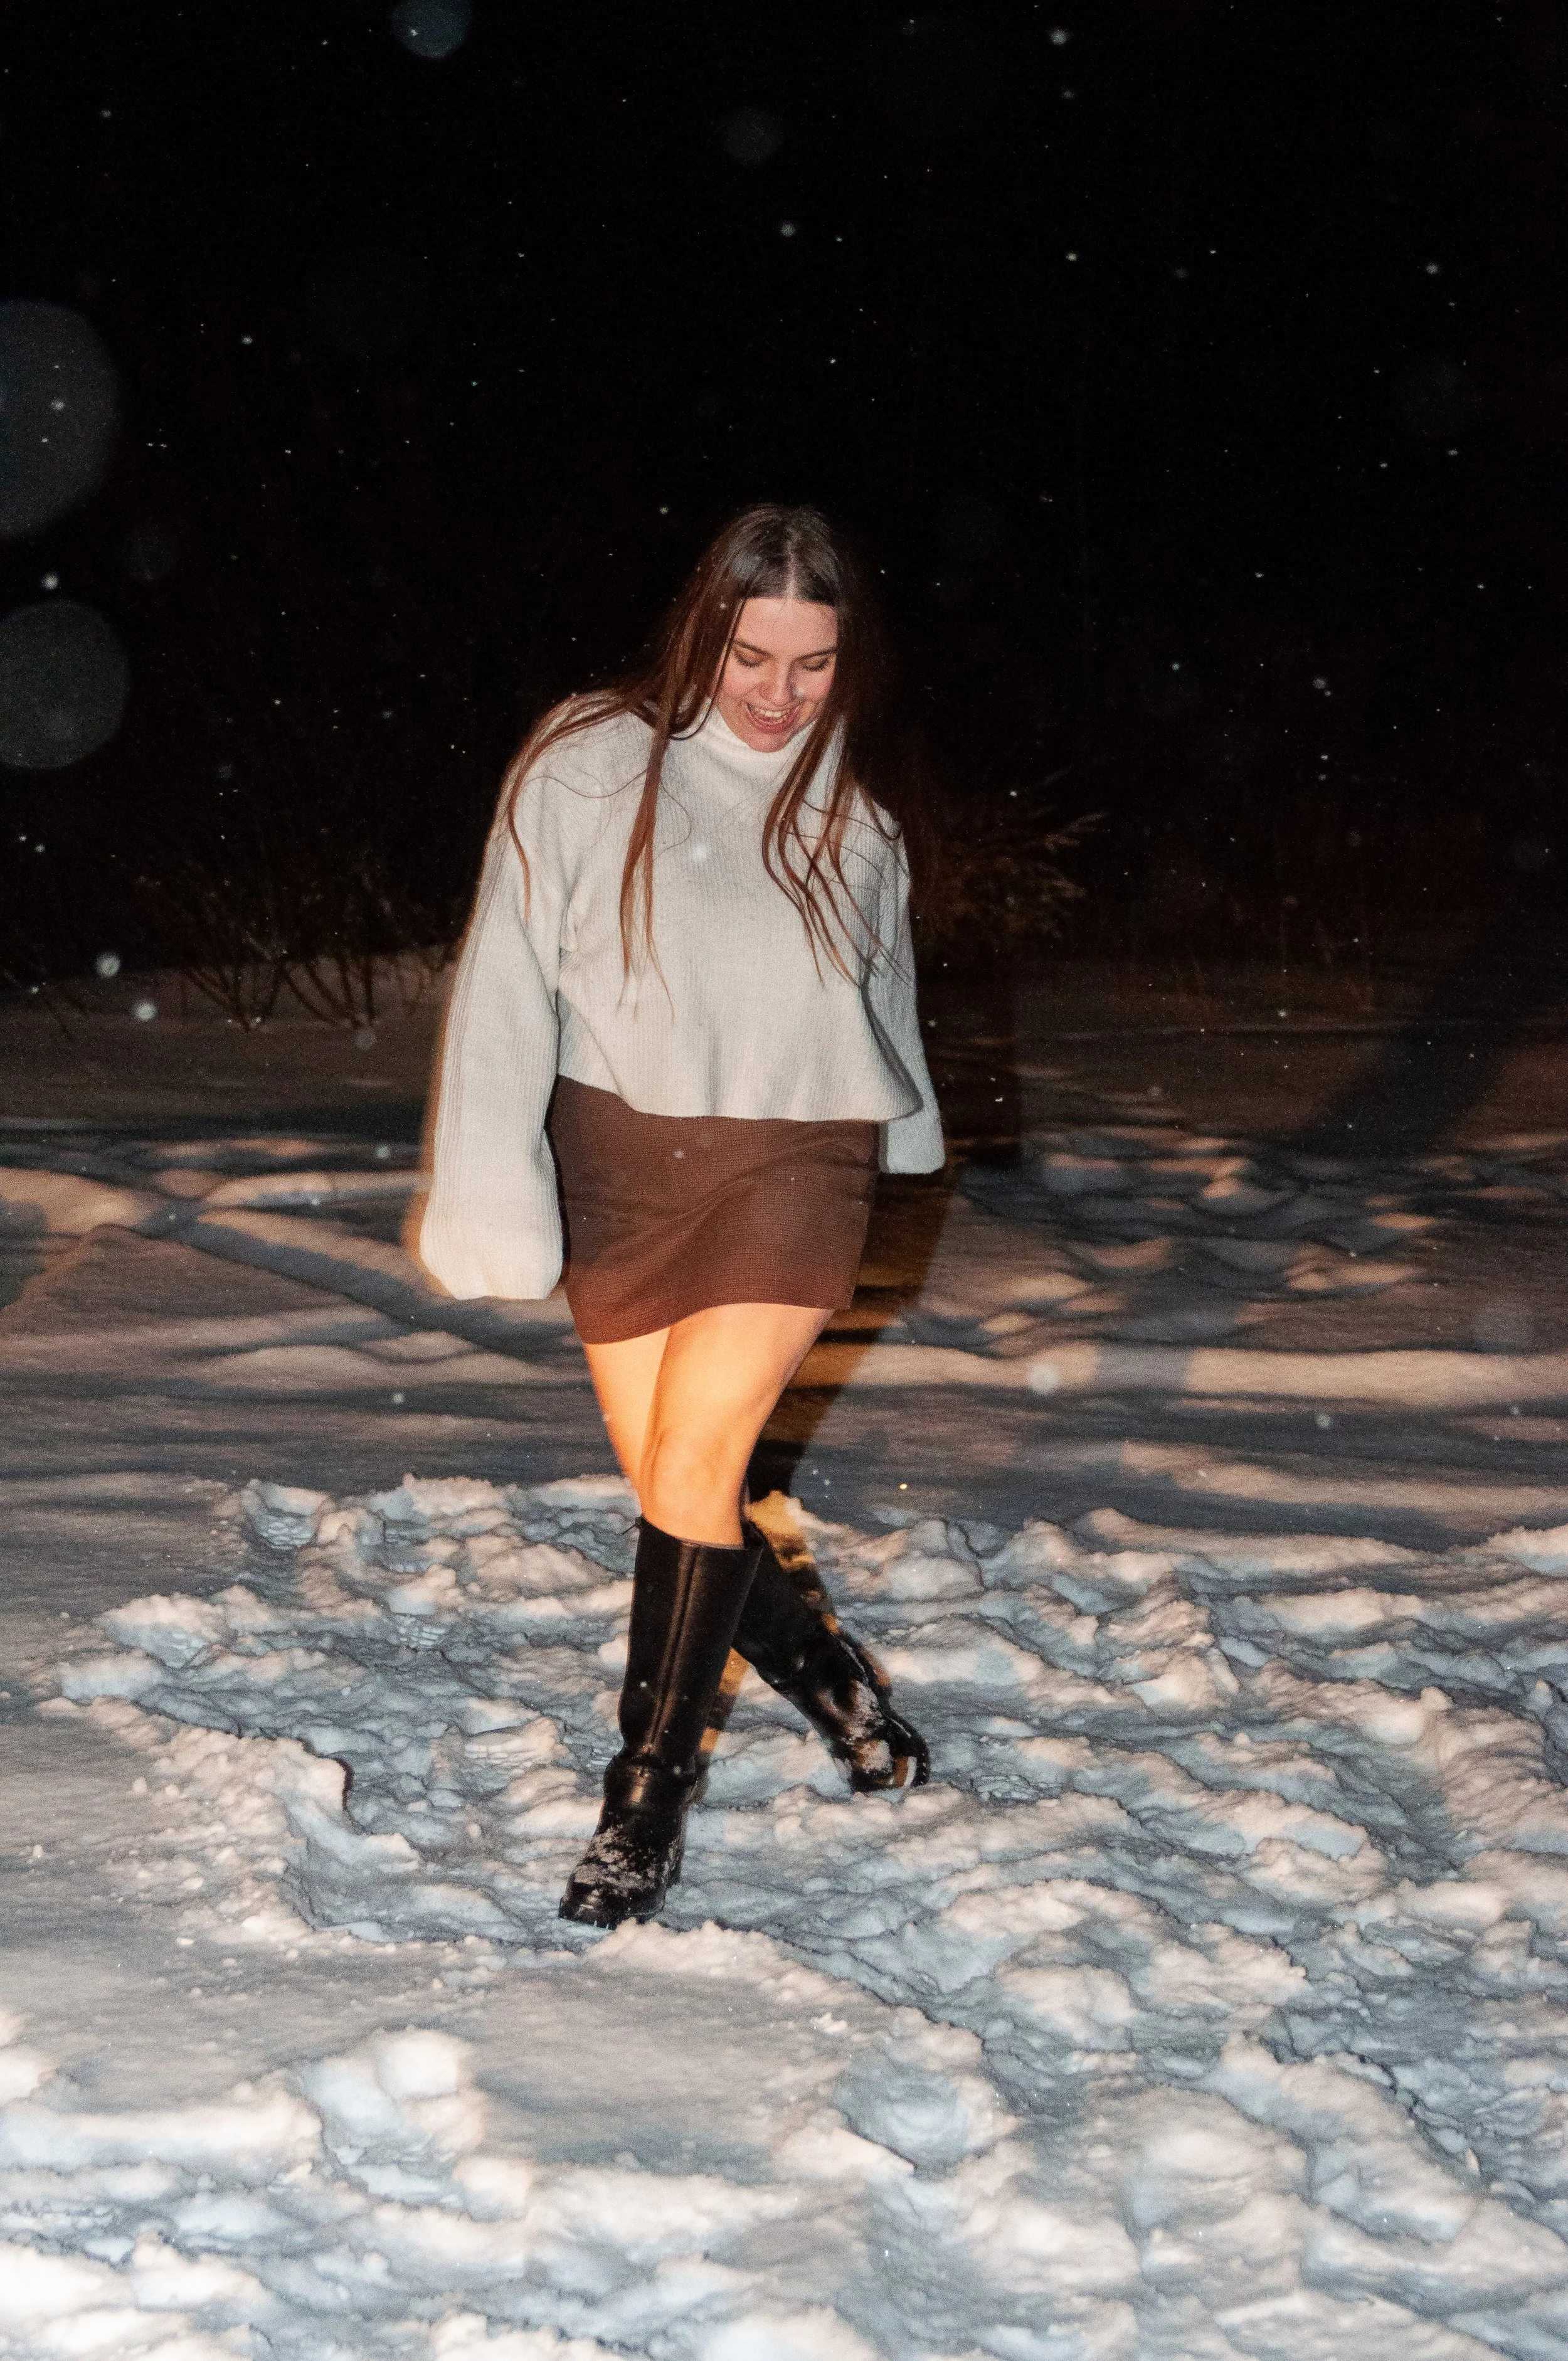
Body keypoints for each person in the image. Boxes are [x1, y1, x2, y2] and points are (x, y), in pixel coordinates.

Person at [417, 502, 944, 1929]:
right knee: (680, 1489)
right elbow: (506, 979)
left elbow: (881, 1001)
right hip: (621, 1164)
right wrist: (488, 1179)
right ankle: (832, 1680)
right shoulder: (585, 766)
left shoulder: (854, 821)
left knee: (703, 1456)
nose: (779, 697)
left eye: (813, 666)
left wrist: (904, 1134)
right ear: (700, 633)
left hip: (796, 1162)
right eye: (751, 655)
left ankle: (638, 1811)